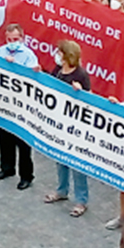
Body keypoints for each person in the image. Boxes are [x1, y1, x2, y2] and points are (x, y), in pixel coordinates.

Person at [42, 40, 93, 215]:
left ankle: (81, 200)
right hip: (59, 121)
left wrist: (80, 91)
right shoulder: (58, 70)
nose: (56, 54)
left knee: (77, 163)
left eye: (59, 51)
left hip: (75, 125)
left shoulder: (81, 75)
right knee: (60, 158)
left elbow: (90, 100)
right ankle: (61, 190)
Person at [0, 23, 37, 188]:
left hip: (21, 104)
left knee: (22, 142)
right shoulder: (1, 51)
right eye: (9, 39)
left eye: (15, 39)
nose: (12, 42)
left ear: (22, 38)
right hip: (3, 101)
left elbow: (32, 78)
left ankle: (26, 176)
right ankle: (7, 167)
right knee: (3, 137)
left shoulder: (28, 55)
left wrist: (14, 66)